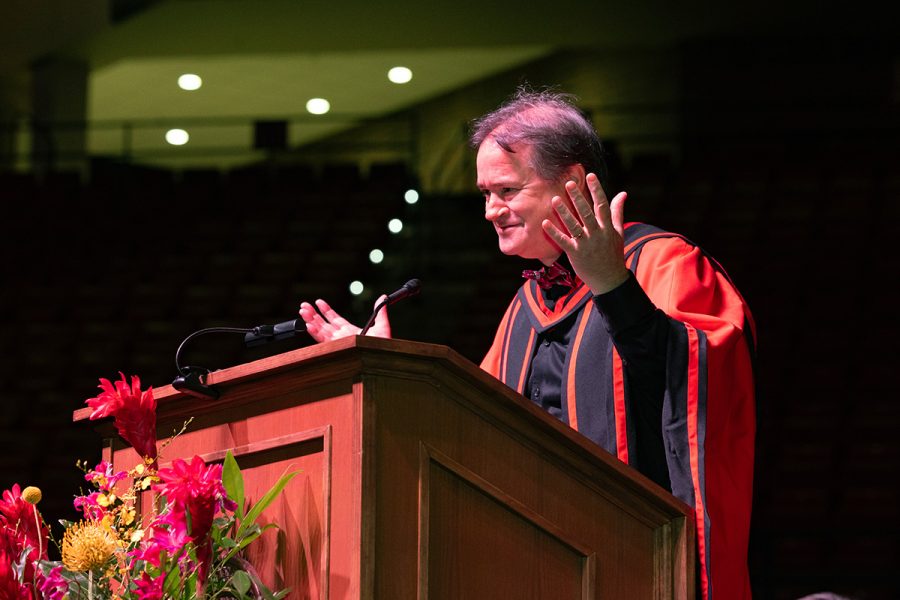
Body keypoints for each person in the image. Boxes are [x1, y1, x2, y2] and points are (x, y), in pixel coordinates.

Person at [298, 87, 757, 600]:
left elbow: (691, 389)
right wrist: (385, 368)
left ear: (574, 185)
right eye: (484, 194)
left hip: (639, 571)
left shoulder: (665, 264)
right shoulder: (524, 308)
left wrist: (613, 286)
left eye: (507, 190)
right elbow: (468, 430)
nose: (491, 211)